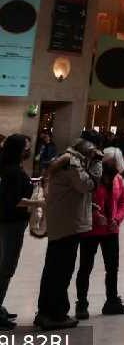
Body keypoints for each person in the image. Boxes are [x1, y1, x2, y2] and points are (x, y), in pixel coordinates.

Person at [34, 134, 102, 330]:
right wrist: (97, 164)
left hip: (64, 223)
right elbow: (86, 185)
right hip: (68, 226)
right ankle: (56, 313)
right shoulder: (72, 163)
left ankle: (46, 311)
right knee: (61, 271)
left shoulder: (71, 160)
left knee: (53, 269)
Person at [75, 147, 124, 319]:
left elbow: (123, 202)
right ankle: (82, 304)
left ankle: (112, 301)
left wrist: (117, 219)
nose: (111, 167)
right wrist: (94, 215)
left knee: (112, 267)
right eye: (108, 163)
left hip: (111, 230)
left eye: (114, 164)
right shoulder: (92, 178)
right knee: (86, 267)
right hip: (91, 230)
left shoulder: (119, 180)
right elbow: (83, 201)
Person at [0, 135, 34, 329]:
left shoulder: (9, 168)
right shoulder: (12, 172)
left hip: (8, 222)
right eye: (26, 147)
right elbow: (16, 200)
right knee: (7, 267)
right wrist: (40, 203)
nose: (28, 150)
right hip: (11, 223)